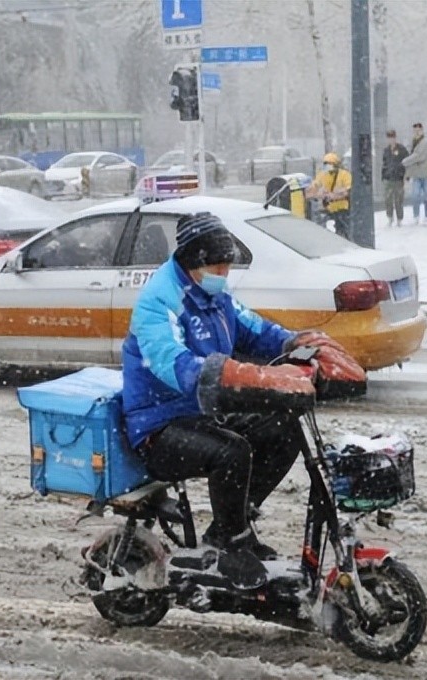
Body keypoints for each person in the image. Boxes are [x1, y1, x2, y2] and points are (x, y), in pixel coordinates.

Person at [120, 212, 366, 589]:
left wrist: (297, 344)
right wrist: (243, 376)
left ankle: (230, 526)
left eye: (227, 266)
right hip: (159, 425)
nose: (224, 273)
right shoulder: (159, 302)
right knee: (231, 452)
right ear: (194, 261)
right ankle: (231, 545)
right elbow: (175, 365)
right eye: (218, 266)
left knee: (284, 427)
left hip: (203, 412)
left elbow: (256, 330)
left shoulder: (214, 295)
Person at [306, 152, 353, 240]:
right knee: (319, 224)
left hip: (342, 207)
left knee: (343, 229)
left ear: (335, 165)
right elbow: (315, 185)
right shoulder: (323, 174)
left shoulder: (344, 174)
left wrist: (335, 195)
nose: (327, 167)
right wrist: (312, 192)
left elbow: (348, 190)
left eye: (329, 164)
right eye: (326, 164)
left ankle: (344, 239)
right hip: (328, 207)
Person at [401, 122, 427, 226]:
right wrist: (408, 174)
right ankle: (416, 216)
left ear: (422, 131)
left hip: (426, 174)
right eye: (415, 131)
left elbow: (418, 156)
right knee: (415, 195)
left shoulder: (425, 143)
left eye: (419, 130)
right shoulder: (412, 143)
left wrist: (405, 161)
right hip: (416, 175)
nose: (417, 132)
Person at [381, 129, 409, 227]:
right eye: (389, 138)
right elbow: (384, 164)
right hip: (388, 178)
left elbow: (407, 162)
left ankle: (399, 219)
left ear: (395, 138)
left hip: (398, 178)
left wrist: (406, 176)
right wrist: (383, 175)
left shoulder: (402, 149)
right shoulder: (386, 150)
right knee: (388, 199)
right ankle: (390, 217)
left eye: (392, 137)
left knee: (398, 200)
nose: (391, 140)